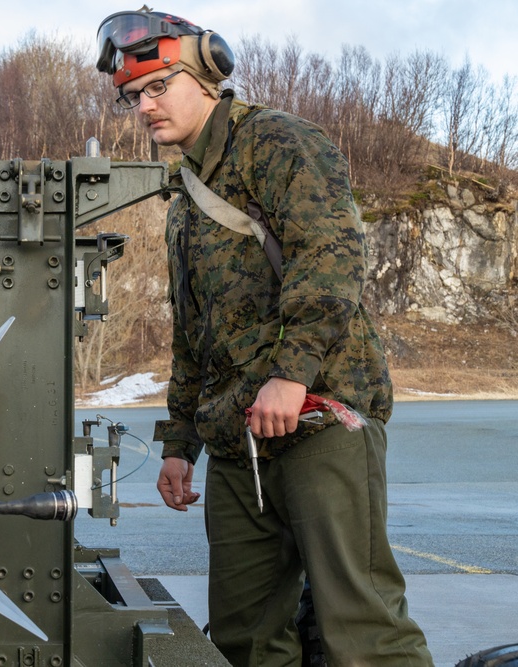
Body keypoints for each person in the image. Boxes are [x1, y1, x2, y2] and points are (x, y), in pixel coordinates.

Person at [95, 9, 433, 666]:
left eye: (160, 85)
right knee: (245, 640)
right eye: (134, 95)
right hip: (236, 446)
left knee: (362, 633)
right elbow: (194, 334)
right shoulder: (186, 192)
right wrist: (179, 445)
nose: (145, 106)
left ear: (208, 74)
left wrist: (292, 373)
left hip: (315, 422)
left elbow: (330, 256)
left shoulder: (278, 144)